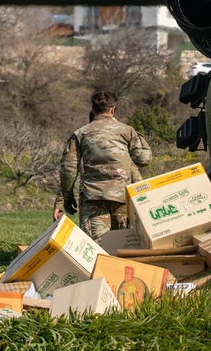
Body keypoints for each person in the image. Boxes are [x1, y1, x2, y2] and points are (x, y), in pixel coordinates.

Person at [54, 91, 152, 242]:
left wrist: (66, 198)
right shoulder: (127, 131)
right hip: (122, 198)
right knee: (121, 246)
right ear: (113, 109)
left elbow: (68, 169)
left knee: (96, 248)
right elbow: (144, 159)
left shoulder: (80, 134)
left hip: (93, 198)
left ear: (92, 110)